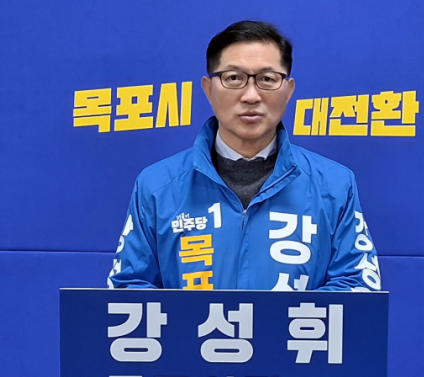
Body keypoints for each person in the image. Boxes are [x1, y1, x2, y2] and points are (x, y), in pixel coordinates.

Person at [108, 20, 380, 291]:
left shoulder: (334, 184)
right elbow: (128, 286)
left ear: (288, 90)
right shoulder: (157, 185)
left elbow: (357, 285)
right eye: (234, 78)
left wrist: (279, 319)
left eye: (267, 79)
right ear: (208, 89)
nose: (251, 96)